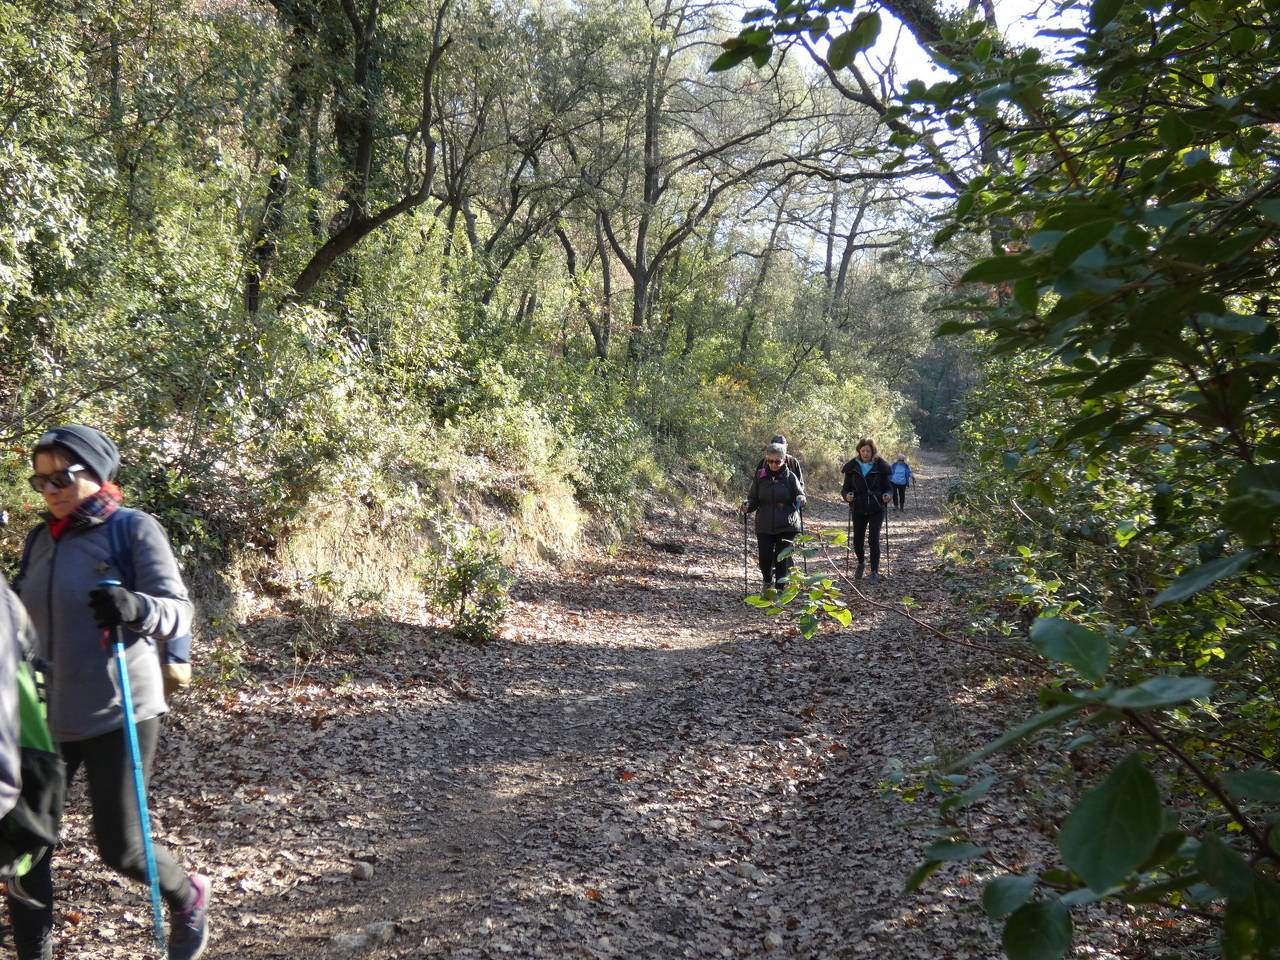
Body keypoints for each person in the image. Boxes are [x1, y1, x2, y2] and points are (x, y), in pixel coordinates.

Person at [10, 424, 210, 960]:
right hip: (45, 715)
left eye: (63, 476)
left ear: (96, 475)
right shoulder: (38, 542)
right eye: (41, 479)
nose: (50, 489)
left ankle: (187, 896)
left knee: (121, 849)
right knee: (26, 845)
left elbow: (178, 612)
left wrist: (136, 608)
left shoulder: (131, 530)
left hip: (120, 709)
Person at [743, 442, 805, 592]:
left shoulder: (790, 477)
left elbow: (800, 494)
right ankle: (766, 582)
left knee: (781, 559)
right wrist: (747, 506)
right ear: (767, 460)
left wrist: (801, 499)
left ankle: (780, 589)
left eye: (777, 461)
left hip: (787, 524)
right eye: (770, 461)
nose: (774, 464)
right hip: (764, 524)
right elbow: (753, 498)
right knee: (764, 558)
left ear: (784, 460)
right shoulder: (760, 476)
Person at [841, 438, 892, 584]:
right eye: (862, 450)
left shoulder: (880, 467)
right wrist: (847, 496)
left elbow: (888, 487)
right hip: (858, 507)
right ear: (859, 451)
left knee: (873, 539)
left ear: (872, 451)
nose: (865, 453)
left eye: (868, 451)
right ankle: (861, 562)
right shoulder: (852, 468)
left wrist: (887, 495)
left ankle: (874, 571)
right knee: (858, 539)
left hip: (877, 507)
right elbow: (845, 489)